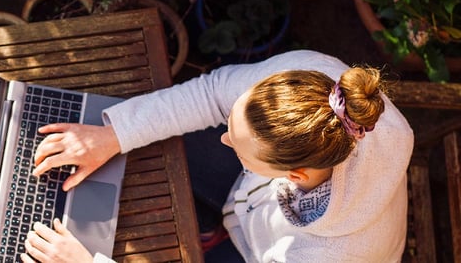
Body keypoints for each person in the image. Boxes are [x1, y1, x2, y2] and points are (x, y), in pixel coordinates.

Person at [21, 50, 414, 262]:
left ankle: (215, 233)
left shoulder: (324, 258)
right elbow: (210, 94)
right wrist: (114, 135)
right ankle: (216, 222)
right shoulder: (309, 79)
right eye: (231, 121)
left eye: (239, 147)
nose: (224, 139)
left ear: (293, 174)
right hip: (259, 203)